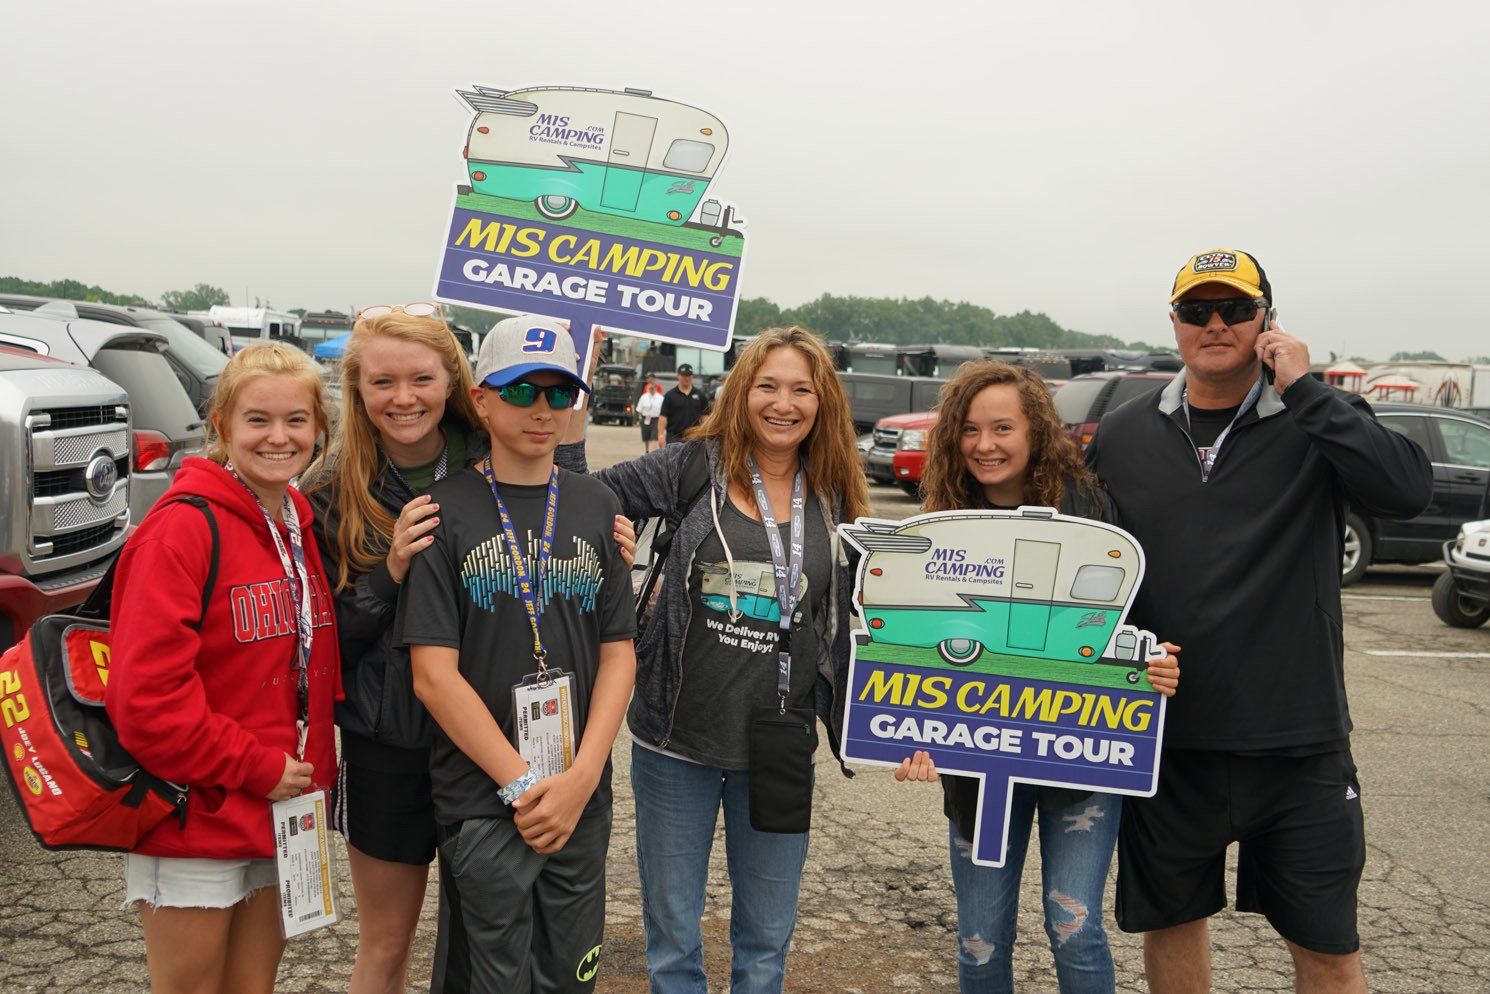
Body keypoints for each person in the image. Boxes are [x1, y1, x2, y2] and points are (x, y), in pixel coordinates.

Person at [1086, 249, 1433, 994]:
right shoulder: (1122, 432)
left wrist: (1305, 389)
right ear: (1174, 321)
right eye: (1197, 309)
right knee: (1171, 926)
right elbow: (1089, 564)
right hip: (1168, 739)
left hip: (1297, 745)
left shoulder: (1317, 418)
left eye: (1237, 309)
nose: (1216, 324)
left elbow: (1406, 490)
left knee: (1328, 948)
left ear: (1267, 321)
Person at [302, 308, 637, 994]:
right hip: (402, 746)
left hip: (539, 771)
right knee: (393, 945)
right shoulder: (339, 492)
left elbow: (612, 643)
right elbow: (327, 639)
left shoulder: (564, 489)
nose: (404, 397)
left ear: (452, 387)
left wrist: (579, 777)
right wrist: (388, 574)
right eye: (383, 382)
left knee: (548, 964)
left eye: (421, 379)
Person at [590, 326, 871, 994]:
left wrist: (896, 729)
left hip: (778, 747)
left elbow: (867, 619)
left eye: (801, 390)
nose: (783, 403)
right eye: (767, 386)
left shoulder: (834, 492)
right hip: (673, 743)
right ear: (742, 391)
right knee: (672, 943)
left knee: (766, 946)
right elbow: (579, 499)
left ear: (823, 402)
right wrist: (612, 538)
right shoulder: (689, 469)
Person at [892, 360, 1180, 994]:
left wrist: (1153, 664)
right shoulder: (943, 523)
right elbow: (912, 651)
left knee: (1075, 931)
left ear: (1036, 431)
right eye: (970, 430)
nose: (985, 445)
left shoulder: (1091, 513)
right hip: (979, 766)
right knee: (979, 942)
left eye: (1003, 428)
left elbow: (1135, 622)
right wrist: (911, 732)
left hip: (1078, 756)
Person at [399, 317, 638, 992]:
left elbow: (619, 655)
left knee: (569, 976)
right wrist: (522, 785)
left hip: (578, 798)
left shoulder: (597, 505)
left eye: (559, 394)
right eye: (522, 390)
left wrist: (582, 777)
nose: (542, 409)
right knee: (492, 980)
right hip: (485, 797)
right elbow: (432, 677)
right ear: (480, 400)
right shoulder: (442, 511)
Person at [105, 342, 340, 994]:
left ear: (319, 429)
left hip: (284, 812)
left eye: (296, 420)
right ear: (222, 426)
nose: (278, 437)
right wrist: (256, 766)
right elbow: (144, 702)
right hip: (198, 815)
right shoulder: (181, 529)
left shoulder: (296, 521)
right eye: (257, 420)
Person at [657, 362, 709, 444]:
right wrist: (660, 435)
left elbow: (705, 416)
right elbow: (663, 417)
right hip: (674, 438)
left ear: (692, 377)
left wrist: (705, 433)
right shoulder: (670, 395)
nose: (687, 378)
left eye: (689, 376)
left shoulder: (700, 395)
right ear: (678, 376)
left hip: (694, 437)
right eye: (684, 376)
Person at [636, 374, 664, 452]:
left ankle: (653, 452)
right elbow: (639, 409)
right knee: (646, 437)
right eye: (650, 388)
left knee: (654, 437)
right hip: (645, 419)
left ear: (656, 388)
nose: (651, 390)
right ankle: (647, 451)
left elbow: (664, 411)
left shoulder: (660, 398)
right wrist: (640, 419)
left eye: (653, 388)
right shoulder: (644, 397)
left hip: (656, 420)